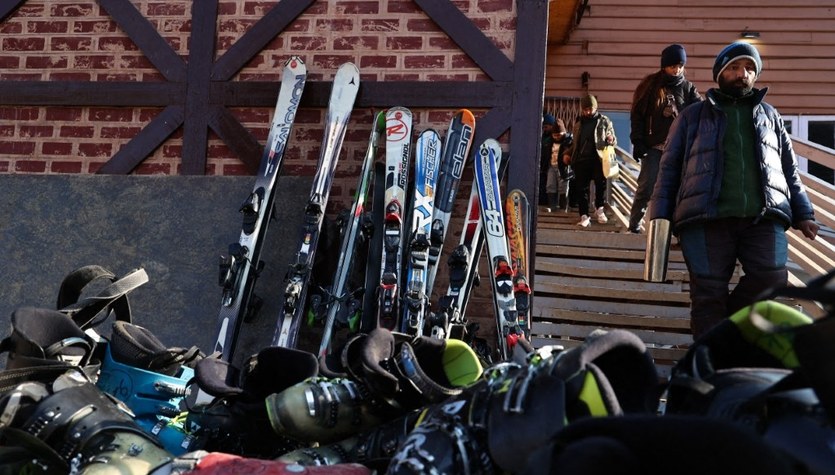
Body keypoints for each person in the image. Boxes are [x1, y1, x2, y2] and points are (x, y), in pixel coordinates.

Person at [648, 41, 819, 338]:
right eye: (736, 67)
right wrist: (660, 218)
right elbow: (669, 169)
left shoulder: (770, 116)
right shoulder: (691, 116)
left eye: (750, 69)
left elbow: (789, 170)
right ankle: (710, 369)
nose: (744, 74)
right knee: (708, 295)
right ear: (720, 73)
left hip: (763, 218)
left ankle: (726, 332)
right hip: (705, 220)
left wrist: (804, 211)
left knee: (771, 278)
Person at [627, 44, 702, 234]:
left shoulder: (688, 89)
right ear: (664, 66)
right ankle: (634, 225)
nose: (676, 70)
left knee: (677, 190)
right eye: (672, 66)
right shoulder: (650, 86)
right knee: (646, 188)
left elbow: (701, 114)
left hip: (678, 149)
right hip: (653, 148)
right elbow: (637, 116)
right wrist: (638, 142)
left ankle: (673, 230)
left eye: (680, 66)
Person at [564, 94, 616, 228]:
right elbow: (575, 143)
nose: (588, 112)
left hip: (598, 158)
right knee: (582, 189)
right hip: (581, 160)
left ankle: (599, 210)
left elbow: (613, 138)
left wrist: (610, 139)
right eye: (585, 109)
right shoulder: (579, 123)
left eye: (590, 109)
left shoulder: (604, 121)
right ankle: (584, 216)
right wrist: (568, 154)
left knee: (600, 185)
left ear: (595, 107)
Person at [544, 118, 573, 212]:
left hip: (563, 167)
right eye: (554, 135)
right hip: (551, 166)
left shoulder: (568, 141)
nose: (556, 137)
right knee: (550, 185)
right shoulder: (549, 142)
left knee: (563, 186)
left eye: (559, 135)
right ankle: (552, 205)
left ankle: (563, 207)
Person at [539, 113, 557, 206]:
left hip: (552, 166)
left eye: (546, 127)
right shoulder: (543, 138)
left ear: (551, 125)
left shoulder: (554, 138)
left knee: (551, 186)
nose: (544, 129)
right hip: (543, 167)